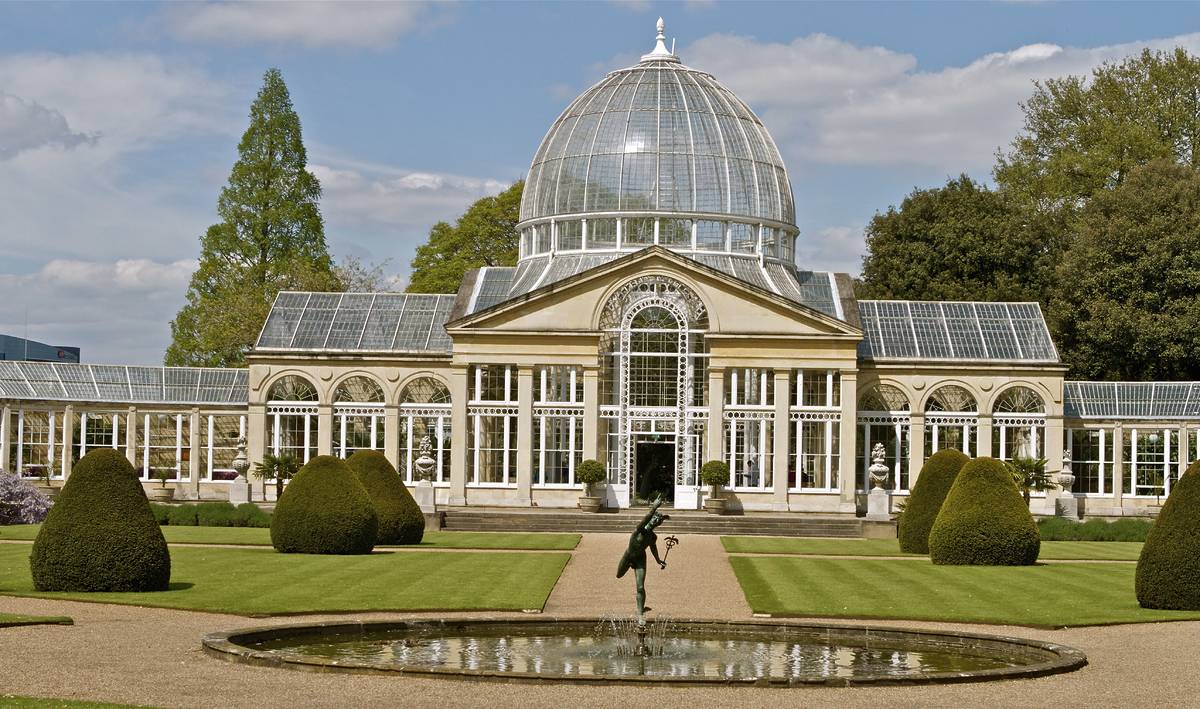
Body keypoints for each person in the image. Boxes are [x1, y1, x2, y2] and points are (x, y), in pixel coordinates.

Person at [616, 494, 669, 621]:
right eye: (655, 519)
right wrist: (654, 508)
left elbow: (653, 547)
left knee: (640, 586)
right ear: (651, 519)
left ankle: (640, 612)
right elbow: (645, 519)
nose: (656, 522)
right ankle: (628, 566)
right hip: (629, 556)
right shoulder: (639, 530)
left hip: (640, 559)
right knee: (618, 575)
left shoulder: (653, 537)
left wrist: (658, 560)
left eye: (658, 522)